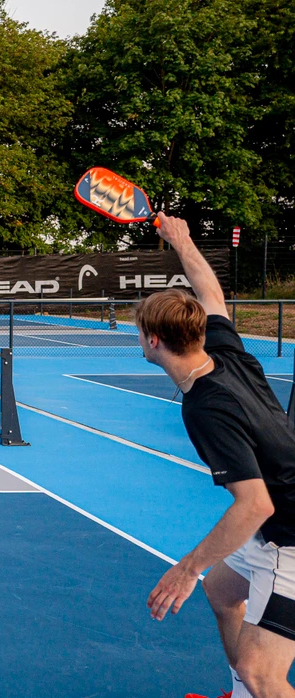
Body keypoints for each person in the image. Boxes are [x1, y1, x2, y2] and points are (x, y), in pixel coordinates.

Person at [143, 213, 295, 698]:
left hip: (289, 534)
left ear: (152, 341)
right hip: (275, 522)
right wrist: (181, 240)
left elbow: (255, 505)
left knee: (260, 670)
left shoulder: (208, 407)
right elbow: (211, 293)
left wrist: (186, 568)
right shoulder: (226, 351)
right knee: (223, 593)